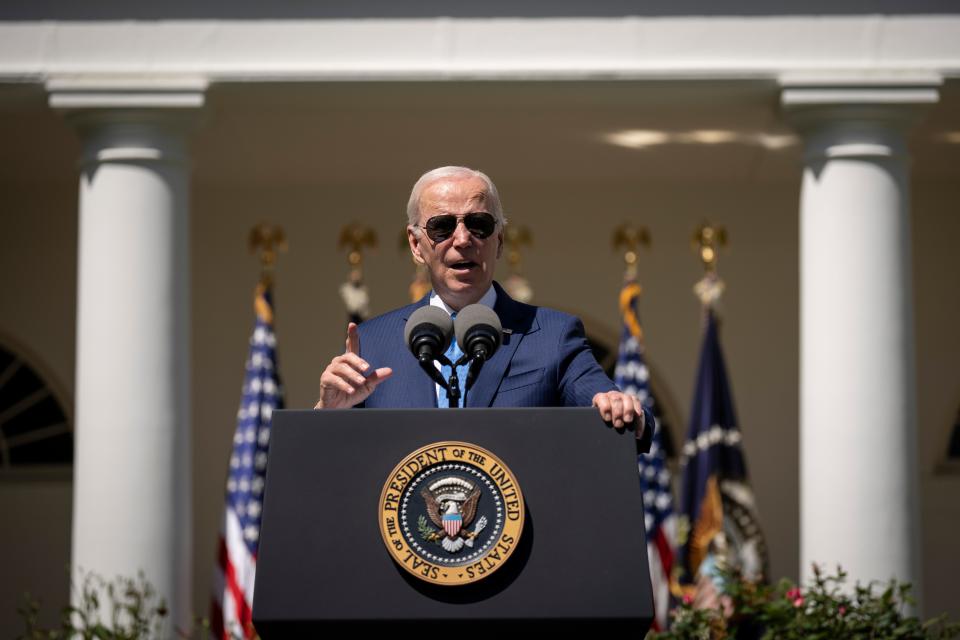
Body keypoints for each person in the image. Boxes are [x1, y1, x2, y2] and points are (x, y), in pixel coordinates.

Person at [314, 166, 653, 450]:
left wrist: (622, 408)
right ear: (416, 245)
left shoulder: (552, 335)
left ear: (499, 241)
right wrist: (328, 412)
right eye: (442, 227)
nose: (462, 239)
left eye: (479, 224)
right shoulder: (374, 342)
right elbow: (327, 462)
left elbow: (610, 404)